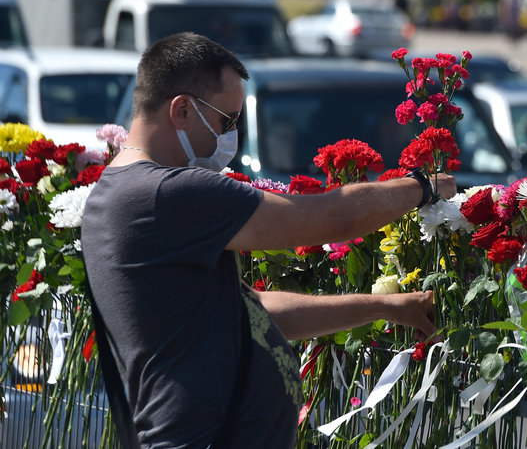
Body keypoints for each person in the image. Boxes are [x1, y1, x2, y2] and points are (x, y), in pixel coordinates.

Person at [80, 32, 456, 448]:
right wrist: (421, 186)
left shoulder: (120, 193)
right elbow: (333, 217)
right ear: (182, 110)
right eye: (227, 120)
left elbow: (248, 314)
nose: (230, 137)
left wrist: (386, 307)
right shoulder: (166, 193)